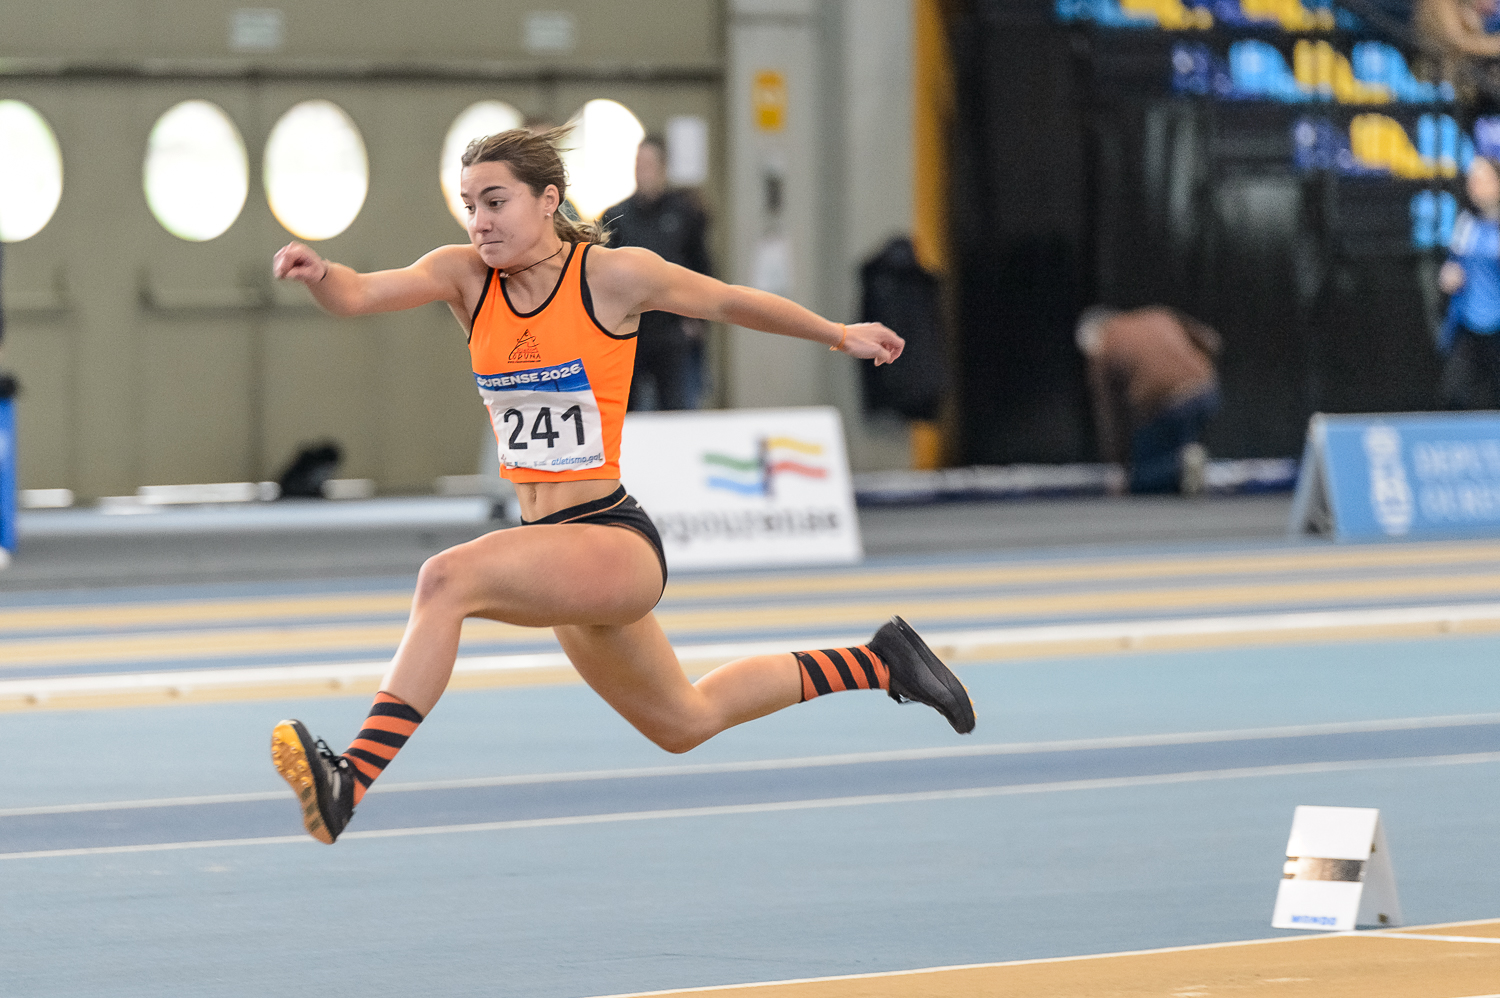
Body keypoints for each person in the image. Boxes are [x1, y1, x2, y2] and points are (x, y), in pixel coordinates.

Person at [267, 128, 975, 845]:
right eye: (469, 205)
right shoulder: (464, 276)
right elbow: (359, 294)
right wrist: (321, 273)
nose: (479, 221)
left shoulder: (612, 277)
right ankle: (881, 661)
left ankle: (350, 779)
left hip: (610, 540)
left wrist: (838, 334)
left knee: (445, 580)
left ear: (549, 200)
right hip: (552, 551)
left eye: (496, 202)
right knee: (685, 721)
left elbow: (728, 302)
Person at [600, 135, 712, 411]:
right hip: (630, 329)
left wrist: (698, 319)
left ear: (663, 168)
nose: (643, 171)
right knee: (626, 408)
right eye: (638, 164)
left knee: (675, 406)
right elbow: (602, 274)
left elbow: (701, 265)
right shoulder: (616, 217)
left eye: (649, 165)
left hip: (672, 328)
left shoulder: (685, 213)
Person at [1076, 306, 1221, 496]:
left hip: (1165, 405)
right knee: (1178, 441)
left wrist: (1118, 462)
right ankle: (1188, 461)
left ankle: (1180, 467)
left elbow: (1110, 414)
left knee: (1142, 478)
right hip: (1206, 392)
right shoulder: (1158, 315)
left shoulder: (1104, 346)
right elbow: (1212, 340)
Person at [1438, 155, 1500, 408]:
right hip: (1467, 325)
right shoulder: (1465, 224)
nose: (1474, 186)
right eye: (1472, 180)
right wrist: (1449, 275)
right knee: (1455, 395)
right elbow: (1452, 265)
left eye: (1482, 180)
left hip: (1497, 328)